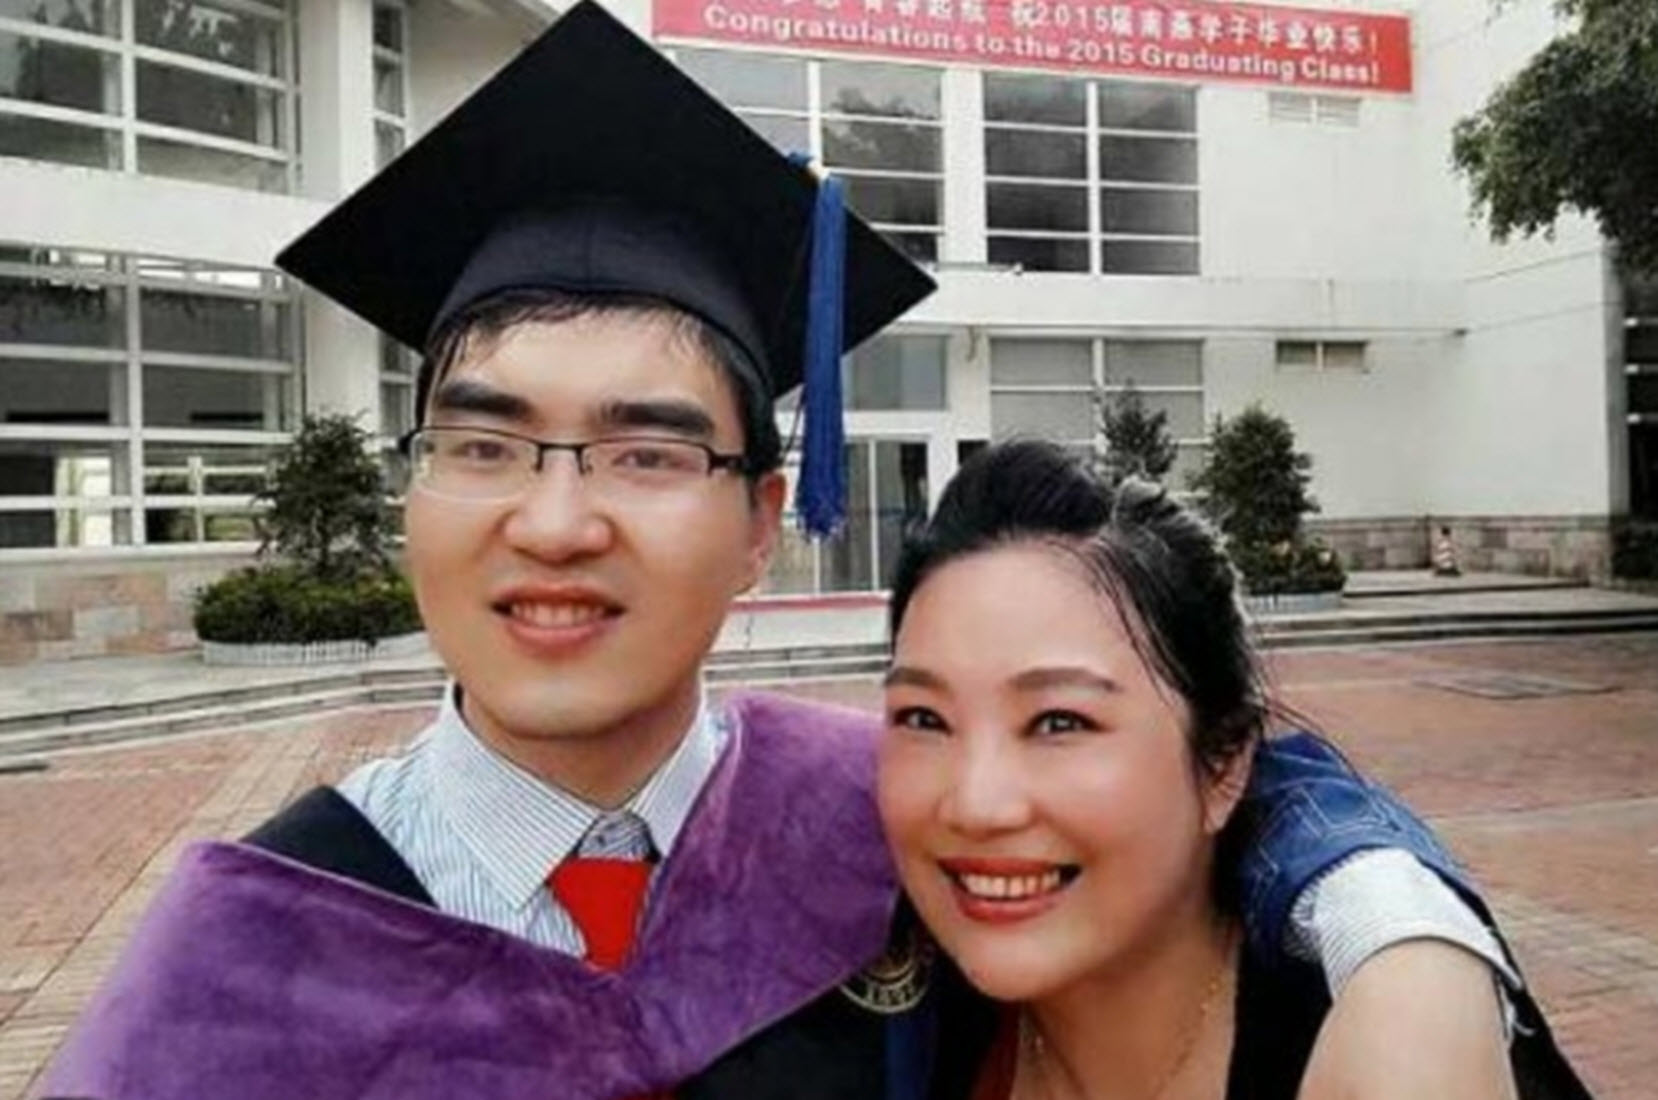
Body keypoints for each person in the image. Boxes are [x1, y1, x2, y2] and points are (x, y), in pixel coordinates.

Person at [40, 5, 1549, 1099]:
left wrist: (1399, 933)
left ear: (764, 522)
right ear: (411, 490)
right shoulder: (235, 970)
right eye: (484, 446)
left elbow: (1207, 760)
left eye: (647, 453)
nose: (553, 522)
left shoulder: (877, 820)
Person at [878, 440, 1592, 1100]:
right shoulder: (887, 1029)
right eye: (923, 718)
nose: (976, 804)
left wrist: (1413, 958)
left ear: (1222, 762)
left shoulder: (1377, 1053)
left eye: (1060, 722)